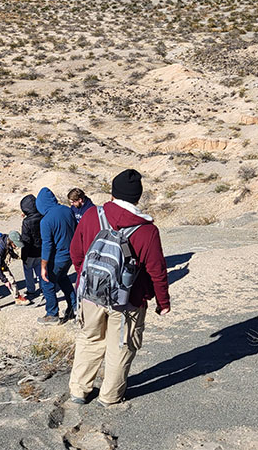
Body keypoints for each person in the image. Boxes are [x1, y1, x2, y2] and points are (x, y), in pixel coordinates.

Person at [67, 169, 171, 407]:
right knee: (121, 347)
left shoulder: (93, 215)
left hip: (91, 295)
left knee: (89, 340)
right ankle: (110, 396)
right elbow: (156, 270)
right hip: (128, 300)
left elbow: (76, 252)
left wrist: (86, 277)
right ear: (137, 197)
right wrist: (162, 302)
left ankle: (79, 391)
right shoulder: (147, 230)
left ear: (113, 193)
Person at [36, 187, 78, 325]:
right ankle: (74, 307)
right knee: (63, 278)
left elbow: (47, 245)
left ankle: (52, 314)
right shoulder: (67, 210)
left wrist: (43, 266)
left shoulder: (46, 221)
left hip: (59, 256)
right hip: (71, 253)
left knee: (47, 282)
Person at [19, 194, 43, 301]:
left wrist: (23, 255)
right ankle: (43, 287)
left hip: (30, 252)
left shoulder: (27, 222)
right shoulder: (42, 216)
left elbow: (26, 240)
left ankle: (31, 290)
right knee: (39, 268)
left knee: (28, 271)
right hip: (41, 250)